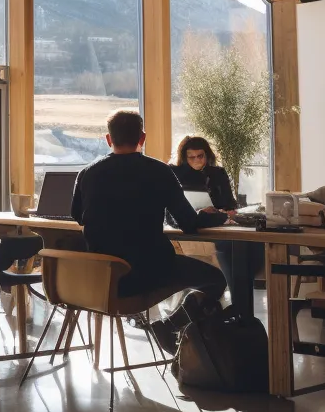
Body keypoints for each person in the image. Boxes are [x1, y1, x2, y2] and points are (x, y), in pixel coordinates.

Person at [71, 110, 227, 354]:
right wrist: (220, 216)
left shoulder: (87, 173)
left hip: (102, 278)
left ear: (108, 139)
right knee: (217, 279)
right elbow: (188, 222)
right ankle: (169, 324)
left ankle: (169, 327)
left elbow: (77, 216)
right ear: (142, 138)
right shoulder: (159, 171)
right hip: (149, 271)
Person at [170, 135, 263, 311]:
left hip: (220, 223)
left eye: (201, 156)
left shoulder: (217, 173)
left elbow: (230, 203)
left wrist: (223, 212)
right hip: (195, 228)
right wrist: (200, 213)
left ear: (207, 155)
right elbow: (174, 215)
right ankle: (240, 309)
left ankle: (241, 308)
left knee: (249, 246)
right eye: (192, 157)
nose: (197, 160)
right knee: (230, 247)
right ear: (184, 157)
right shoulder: (175, 174)